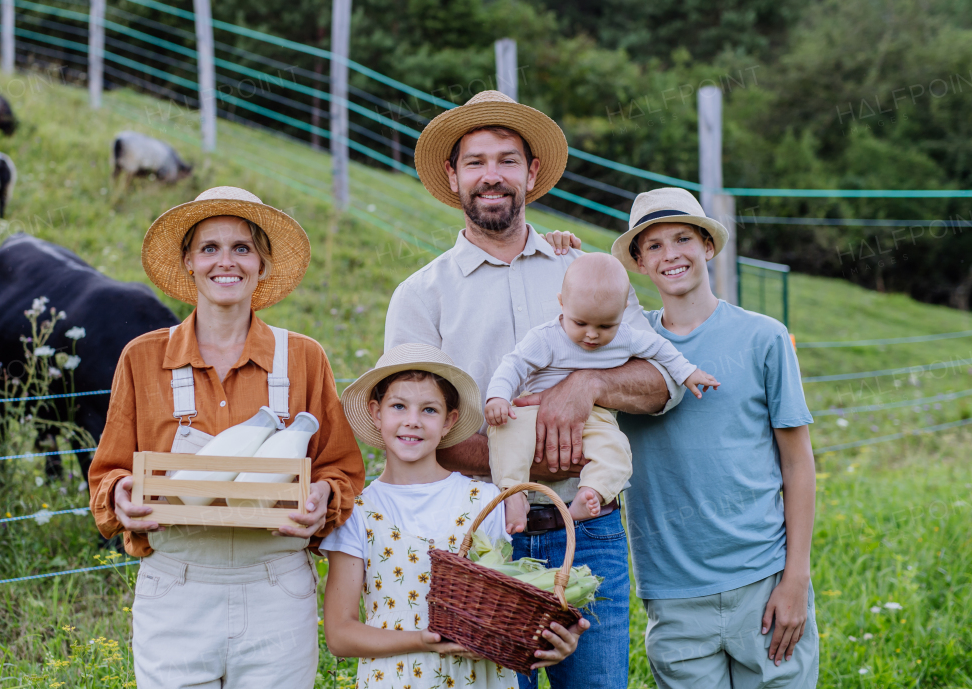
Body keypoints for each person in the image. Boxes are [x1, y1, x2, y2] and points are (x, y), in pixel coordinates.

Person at [385, 90, 685, 689]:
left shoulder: (586, 273)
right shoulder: (422, 295)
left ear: (532, 172)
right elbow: (411, 435)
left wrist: (588, 383)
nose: (491, 175)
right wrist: (526, 464)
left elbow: (663, 384)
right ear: (453, 176)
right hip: (484, 536)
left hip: (590, 530)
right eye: (475, 161)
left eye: (506, 159)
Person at [87, 186, 366, 689]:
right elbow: (107, 472)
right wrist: (120, 495)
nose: (226, 262)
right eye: (210, 248)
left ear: (262, 262)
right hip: (177, 587)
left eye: (242, 248)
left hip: (275, 589)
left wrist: (324, 495)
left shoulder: (303, 358)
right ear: (188, 261)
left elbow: (341, 469)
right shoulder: (143, 358)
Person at [611, 187, 818, 687]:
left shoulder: (763, 337)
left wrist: (795, 578)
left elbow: (797, 462)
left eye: (682, 238)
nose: (671, 254)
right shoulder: (624, 351)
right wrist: (559, 249)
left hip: (763, 580)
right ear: (639, 263)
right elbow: (564, 310)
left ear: (707, 245)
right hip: (673, 591)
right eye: (653, 246)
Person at [322, 343, 587, 689]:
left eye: (429, 410)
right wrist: (421, 639)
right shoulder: (357, 512)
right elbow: (340, 634)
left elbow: (503, 606)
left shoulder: (484, 502)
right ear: (376, 413)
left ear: (450, 421)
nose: (412, 421)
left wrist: (552, 641)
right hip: (394, 678)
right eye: (398, 406)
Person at [484, 253, 719, 531]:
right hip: (534, 414)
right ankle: (514, 493)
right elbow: (514, 364)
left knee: (617, 450)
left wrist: (687, 372)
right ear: (562, 303)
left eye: (606, 326)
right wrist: (498, 396)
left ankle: (591, 493)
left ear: (623, 311)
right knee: (505, 429)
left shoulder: (626, 336)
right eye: (580, 323)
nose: (592, 335)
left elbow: (660, 348)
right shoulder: (546, 337)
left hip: (596, 418)